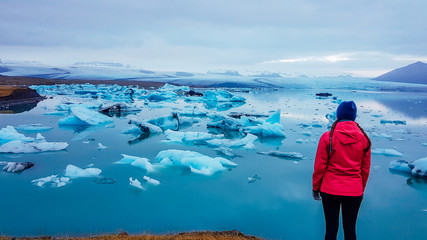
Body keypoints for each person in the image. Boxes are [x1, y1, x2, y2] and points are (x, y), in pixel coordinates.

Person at [312, 101, 371, 240]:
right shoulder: (364, 140)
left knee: (331, 230)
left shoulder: (328, 137)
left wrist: (315, 188)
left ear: (338, 115)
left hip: (329, 190)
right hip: (354, 191)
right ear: (354, 117)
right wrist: (360, 189)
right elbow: (365, 170)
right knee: (350, 230)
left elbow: (319, 166)